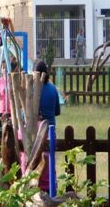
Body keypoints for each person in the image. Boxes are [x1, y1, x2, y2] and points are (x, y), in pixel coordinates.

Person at [35, 61, 61, 194]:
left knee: (37, 161)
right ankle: (52, 189)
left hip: (37, 130)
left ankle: (37, 187)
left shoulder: (34, 89)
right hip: (51, 129)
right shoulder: (52, 89)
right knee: (50, 160)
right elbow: (57, 111)